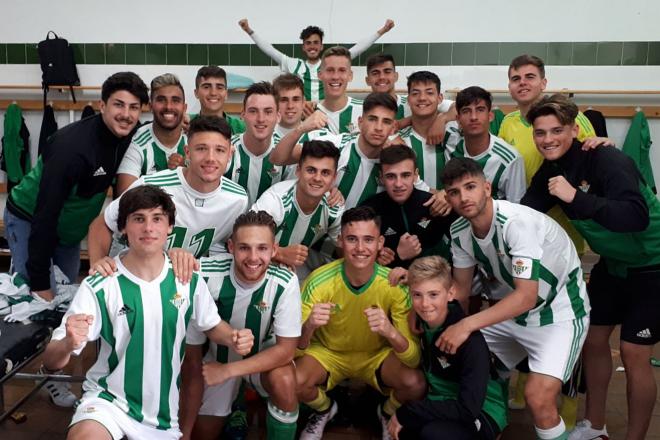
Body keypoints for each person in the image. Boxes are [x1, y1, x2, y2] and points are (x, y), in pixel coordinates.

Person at [42, 185, 254, 440]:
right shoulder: (101, 284)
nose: (148, 228)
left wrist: (233, 337)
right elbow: (51, 362)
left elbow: (212, 325)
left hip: (162, 418)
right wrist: (67, 342)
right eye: (138, 219)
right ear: (123, 228)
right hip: (108, 403)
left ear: (169, 227)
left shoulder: (187, 278)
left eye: (157, 219)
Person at [521, 94, 660, 440]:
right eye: (540, 133)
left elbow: (635, 217)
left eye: (556, 130)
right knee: (592, 339)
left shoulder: (606, 159)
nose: (548, 139)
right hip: (612, 266)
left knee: (632, 352)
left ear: (573, 129)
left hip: (653, 264)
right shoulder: (552, 169)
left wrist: (576, 198)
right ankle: (595, 426)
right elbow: (525, 214)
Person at [439, 157, 590, 440]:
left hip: (558, 313)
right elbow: (460, 291)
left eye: (470, 187)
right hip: (513, 312)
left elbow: (526, 297)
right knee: (465, 359)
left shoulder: (516, 222)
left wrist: (465, 325)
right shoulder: (460, 232)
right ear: (447, 197)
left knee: (538, 397)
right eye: (454, 192)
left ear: (487, 187)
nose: (463, 197)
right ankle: (491, 422)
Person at [295, 206, 424, 440]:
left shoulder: (393, 285)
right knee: (293, 380)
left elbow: (414, 359)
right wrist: (309, 327)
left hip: (375, 356)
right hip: (329, 354)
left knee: (414, 383)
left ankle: (385, 412)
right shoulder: (318, 281)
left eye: (368, 239)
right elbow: (292, 351)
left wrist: (390, 332)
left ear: (380, 242)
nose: (361, 248)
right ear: (340, 240)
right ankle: (324, 409)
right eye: (352, 239)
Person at [182, 211, 302, 440]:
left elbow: (287, 351)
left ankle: (246, 396)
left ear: (274, 250)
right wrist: (177, 254)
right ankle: (237, 402)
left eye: (262, 248)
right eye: (244, 247)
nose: (253, 257)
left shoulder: (284, 281)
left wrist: (229, 371)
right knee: (203, 434)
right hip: (216, 362)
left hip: (255, 363)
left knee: (285, 382)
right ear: (230, 247)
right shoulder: (204, 273)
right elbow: (192, 356)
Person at [87, 115, 248, 270]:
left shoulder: (237, 200)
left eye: (220, 150)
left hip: (179, 282)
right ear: (187, 152)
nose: (210, 158)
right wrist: (99, 265)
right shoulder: (152, 186)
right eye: (201, 148)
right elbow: (102, 224)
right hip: (132, 270)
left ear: (230, 155)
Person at [386, 256, 507, 440]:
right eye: (417, 295)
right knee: (405, 432)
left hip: (481, 410)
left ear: (450, 293)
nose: (425, 304)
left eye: (434, 295)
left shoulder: (470, 341)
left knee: (432, 434)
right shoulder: (421, 320)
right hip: (440, 401)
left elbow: (468, 409)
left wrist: (408, 412)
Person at [271, 92, 435, 210]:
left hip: (356, 249)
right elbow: (278, 158)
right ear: (360, 122)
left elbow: (429, 194)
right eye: (372, 119)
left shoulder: (393, 164)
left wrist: (442, 196)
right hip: (314, 243)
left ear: (393, 128)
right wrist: (300, 129)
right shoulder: (335, 145)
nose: (378, 128)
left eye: (385, 122)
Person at [238, 18, 394, 104]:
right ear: (303, 47)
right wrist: (249, 31)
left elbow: (359, 48)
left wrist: (382, 31)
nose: (312, 46)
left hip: (327, 114)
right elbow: (269, 49)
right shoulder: (293, 64)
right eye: (308, 43)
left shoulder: (330, 63)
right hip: (301, 116)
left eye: (315, 42)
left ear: (321, 46)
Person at [252, 140, 343, 279]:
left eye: (325, 173)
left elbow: (346, 251)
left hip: (293, 268)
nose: (317, 178)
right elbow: (241, 240)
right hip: (254, 265)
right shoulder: (276, 201)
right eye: (311, 170)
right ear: (298, 170)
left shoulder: (333, 206)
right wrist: (279, 253)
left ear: (334, 178)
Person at [361, 145, 454, 269]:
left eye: (405, 175)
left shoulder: (434, 203)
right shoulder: (369, 210)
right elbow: (358, 262)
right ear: (381, 177)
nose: (398, 184)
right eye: (391, 176)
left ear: (415, 175)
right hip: (389, 284)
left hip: (435, 282)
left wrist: (451, 197)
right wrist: (396, 255)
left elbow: (463, 250)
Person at [447, 86, 525, 203]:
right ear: (458, 119)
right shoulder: (452, 147)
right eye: (466, 111)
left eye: (480, 110)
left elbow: (517, 208)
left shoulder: (510, 158)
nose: (473, 117)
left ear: (490, 116)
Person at [116, 73, 187, 194]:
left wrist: (187, 171)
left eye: (175, 100)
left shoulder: (194, 139)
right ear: (150, 106)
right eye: (161, 100)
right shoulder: (137, 142)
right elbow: (124, 198)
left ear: (184, 108)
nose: (168, 106)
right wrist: (174, 177)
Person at [365, 53, 454, 142]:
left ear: (396, 76)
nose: (382, 77)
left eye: (387, 71)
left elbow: (458, 106)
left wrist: (442, 119)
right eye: (375, 73)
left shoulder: (414, 102)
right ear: (367, 80)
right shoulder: (359, 108)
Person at [223, 81, 285, 206]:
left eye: (268, 112)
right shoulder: (227, 150)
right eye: (253, 111)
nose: (261, 119)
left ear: (278, 116)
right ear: (242, 115)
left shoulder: (286, 152)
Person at [191, 65, 246, 135]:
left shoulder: (241, 128)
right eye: (206, 87)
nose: (213, 93)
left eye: (219, 87)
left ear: (226, 94)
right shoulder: (185, 124)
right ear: (196, 93)